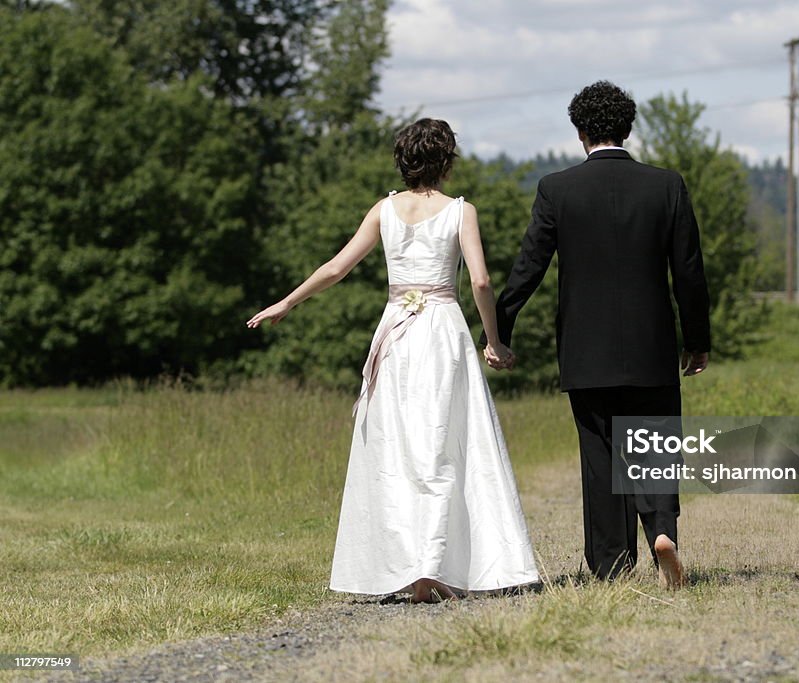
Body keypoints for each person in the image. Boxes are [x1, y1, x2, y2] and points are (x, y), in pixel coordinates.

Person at [246, 118, 539, 603]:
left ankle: (408, 567)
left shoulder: (382, 210)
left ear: (403, 161)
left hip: (396, 334)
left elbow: (337, 267)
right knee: (443, 445)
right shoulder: (461, 212)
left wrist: (288, 302)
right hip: (442, 330)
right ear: (447, 161)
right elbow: (482, 282)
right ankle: (437, 568)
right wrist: (494, 341)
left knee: (398, 448)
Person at [487, 81, 711, 589]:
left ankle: (611, 565)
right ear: (628, 129)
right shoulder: (667, 185)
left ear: (580, 132)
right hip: (652, 346)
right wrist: (697, 340)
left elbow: (529, 267)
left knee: (600, 453)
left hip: (585, 351)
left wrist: (499, 330)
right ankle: (660, 530)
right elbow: (689, 271)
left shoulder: (557, 189)